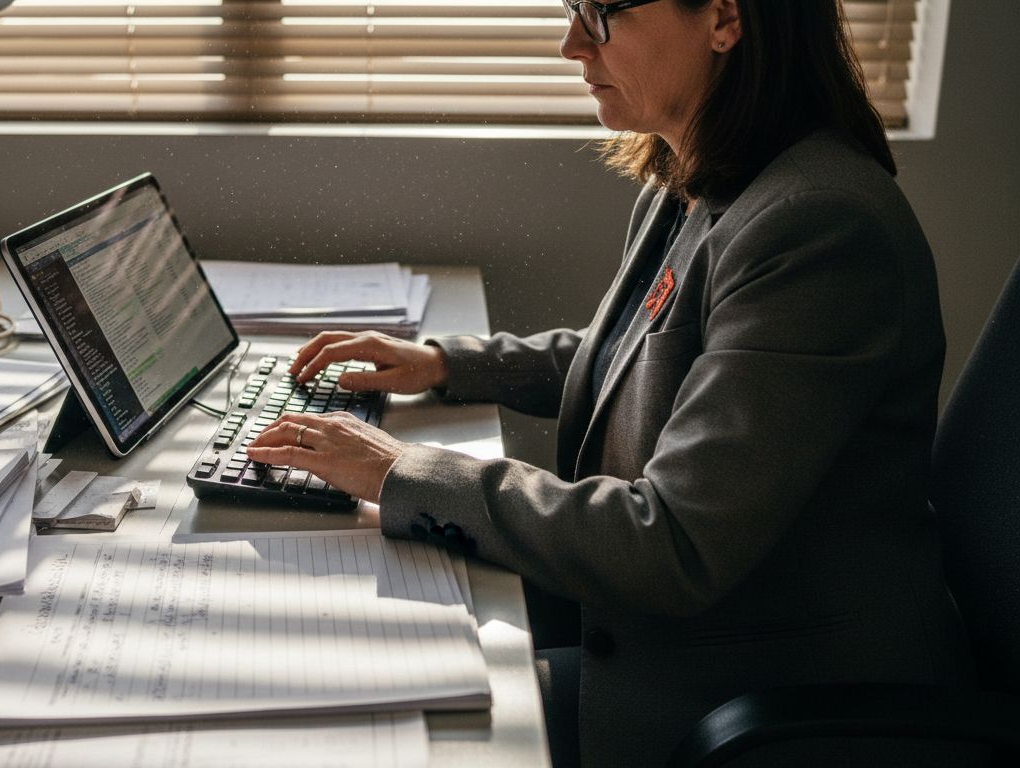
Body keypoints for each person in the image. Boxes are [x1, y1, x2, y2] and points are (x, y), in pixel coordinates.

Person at [248, 0, 975, 765]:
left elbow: (673, 543)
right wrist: (447, 364)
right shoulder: (705, 175)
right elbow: (643, 352)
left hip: (770, 700)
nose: (570, 45)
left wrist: (403, 470)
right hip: (689, 640)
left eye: (600, 14)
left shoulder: (818, 226)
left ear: (725, 18)